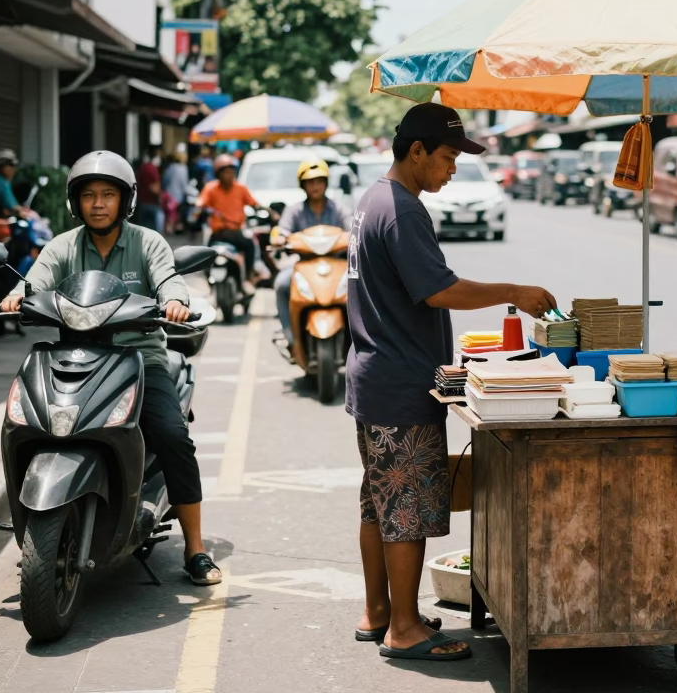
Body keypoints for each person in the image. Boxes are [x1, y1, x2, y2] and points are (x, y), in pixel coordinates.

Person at [347, 103, 556, 662]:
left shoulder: (372, 200)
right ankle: (406, 630)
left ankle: (379, 612)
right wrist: (514, 289)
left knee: (379, 505)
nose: (452, 169)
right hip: (398, 381)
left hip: (374, 376)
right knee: (405, 509)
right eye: (446, 157)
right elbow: (439, 289)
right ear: (415, 152)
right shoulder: (401, 209)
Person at [0, 151, 222, 585]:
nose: (98, 204)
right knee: (24, 422)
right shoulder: (62, 246)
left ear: (125, 200)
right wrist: (16, 295)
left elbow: (168, 277)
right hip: (74, 354)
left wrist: (175, 299)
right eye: (88, 196)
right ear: (75, 202)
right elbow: (36, 279)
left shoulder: (147, 242)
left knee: (173, 437)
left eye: (107, 195)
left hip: (140, 357)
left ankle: (195, 548)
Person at [271, 158, 346, 345]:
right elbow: (282, 230)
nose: (315, 186)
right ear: (302, 185)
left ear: (326, 183)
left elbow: (353, 225)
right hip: (303, 265)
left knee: (361, 283)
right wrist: (280, 238)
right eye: (310, 182)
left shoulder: (338, 207)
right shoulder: (294, 210)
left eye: (319, 181)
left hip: (337, 265)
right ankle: (289, 333)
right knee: (281, 283)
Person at [196, 154, 265, 295]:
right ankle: (210, 283)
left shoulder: (241, 188)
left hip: (237, 233)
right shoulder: (211, 188)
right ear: (218, 174)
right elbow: (200, 204)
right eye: (225, 172)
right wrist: (197, 212)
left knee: (250, 244)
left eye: (231, 171)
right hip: (218, 234)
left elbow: (254, 204)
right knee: (203, 257)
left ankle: (248, 279)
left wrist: (266, 212)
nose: (229, 175)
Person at [0, 149, 31, 220]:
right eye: (11, 165)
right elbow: (11, 205)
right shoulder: (1, 183)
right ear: (2, 167)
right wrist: (25, 211)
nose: (14, 170)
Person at [135, 149, 164, 232]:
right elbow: (154, 187)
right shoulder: (152, 169)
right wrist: (160, 198)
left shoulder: (142, 168)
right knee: (155, 232)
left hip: (142, 202)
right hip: (152, 203)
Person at [162, 151, 190, 234]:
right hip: (178, 196)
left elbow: (164, 181)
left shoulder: (168, 168)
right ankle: (175, 228)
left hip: (168, 195)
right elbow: (184, 185)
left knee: (170, 214)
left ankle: (169, 229)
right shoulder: (183, 168)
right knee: (177, 214)